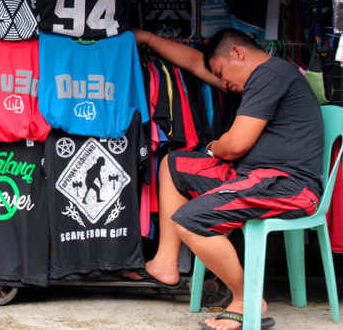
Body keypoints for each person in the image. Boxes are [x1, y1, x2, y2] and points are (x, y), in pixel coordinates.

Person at [127, 28, 324, 330]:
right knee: (173, 164)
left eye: (222, 73)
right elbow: (195, 64)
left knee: (191, 219)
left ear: (237, 53)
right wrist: (149, 39)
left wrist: (212, 147)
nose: (225, 85)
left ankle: (247, 298)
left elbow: (234, 147)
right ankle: (166, 261)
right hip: (254, 176)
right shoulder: (259, 77)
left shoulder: (271, 73)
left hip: (286, 184)